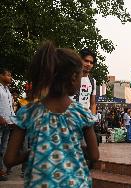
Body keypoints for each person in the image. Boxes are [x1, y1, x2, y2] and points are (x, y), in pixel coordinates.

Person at [4, 41, 99, 187]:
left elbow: (9, 159)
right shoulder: (81, 113)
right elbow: (94, 155)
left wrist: (35, 151)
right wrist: (69, 148)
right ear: (74, 77)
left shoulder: (28, 112)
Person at [72, 48, 97, 114]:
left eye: (91, 62)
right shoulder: (68, 77)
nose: (89, 64)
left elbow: (93, 103)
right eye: (86, 61)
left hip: (84, 121)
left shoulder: (92, 81)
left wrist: (92, 120)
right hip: (68, 120)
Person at [0, 67, 14, 181]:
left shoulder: (7, 90)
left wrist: (13, 120)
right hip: (0, 122)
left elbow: (10, 108)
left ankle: (2, 170)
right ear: (1, 75)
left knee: (3, 148)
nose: (10, 77)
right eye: (8, 75)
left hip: (7, 123)